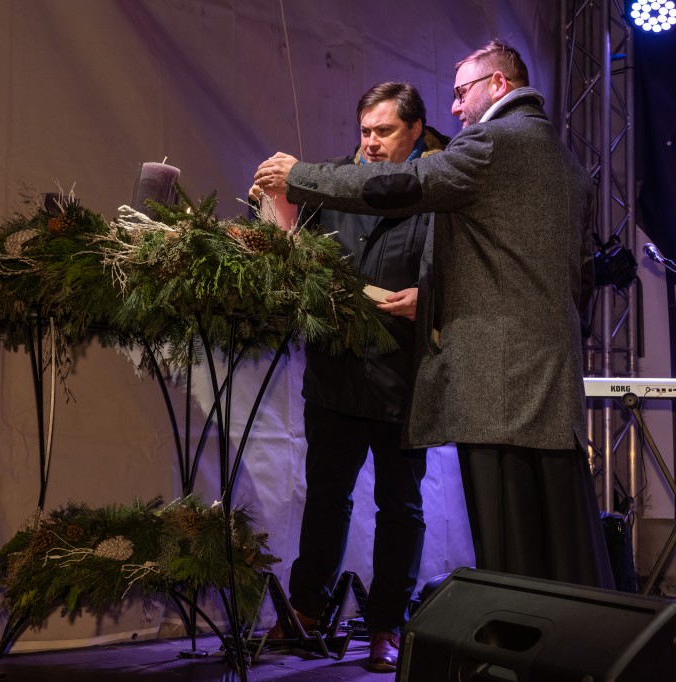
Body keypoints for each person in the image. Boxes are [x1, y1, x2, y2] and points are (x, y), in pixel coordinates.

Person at [253, 40, 615, 593]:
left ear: (498, 84)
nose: (455, 107)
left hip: (495, 386)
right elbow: (580, 277)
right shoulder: (566, 161)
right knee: (561, 550)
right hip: (549, 383)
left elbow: (406, 185)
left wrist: (300, 176)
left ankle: (508, 637)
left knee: (507, 554)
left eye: (462, 92)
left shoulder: (492, 142)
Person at [253, 82, 448, 673]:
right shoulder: (330, 183)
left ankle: (387, 625)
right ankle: (307, 611)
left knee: (400, 507)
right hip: (334, 374)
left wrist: (430, 300)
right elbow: (286, 252)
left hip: (402, 378)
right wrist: (272, 206)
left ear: (415, 130)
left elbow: (466, 273)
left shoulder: (437, 190)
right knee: (325, 498)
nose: (371, 142)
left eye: (384, 131)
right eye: (365, 130)